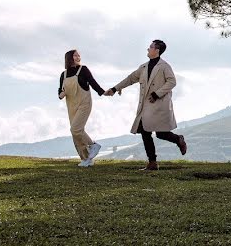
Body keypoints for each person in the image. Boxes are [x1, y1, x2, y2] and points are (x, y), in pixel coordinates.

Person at [106, 39, 187, 171]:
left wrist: (157, 93)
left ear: (157, 50)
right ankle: (152, 162)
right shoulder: (143, 67)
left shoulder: (165, 66)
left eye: (150, 47)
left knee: (161, 134)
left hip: (159, 104)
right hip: (147, 105)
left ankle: (178, 139)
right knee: (145, 131)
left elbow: (172, 82)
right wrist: (115, 89)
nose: (148, 49)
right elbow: (130, 78)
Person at [58, 49, 105, 167]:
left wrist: (102, 92)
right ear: (69, 58)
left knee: (75, 129)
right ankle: (86, 159)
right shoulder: (63, 75)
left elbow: (92, 82)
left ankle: (93, 145)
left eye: (79, 55)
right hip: (71, 106)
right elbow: (60, 91)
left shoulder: (83, 69)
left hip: (84, 103)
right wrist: (61, 94)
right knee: (77, 132)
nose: (78, 57)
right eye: (75, 55)